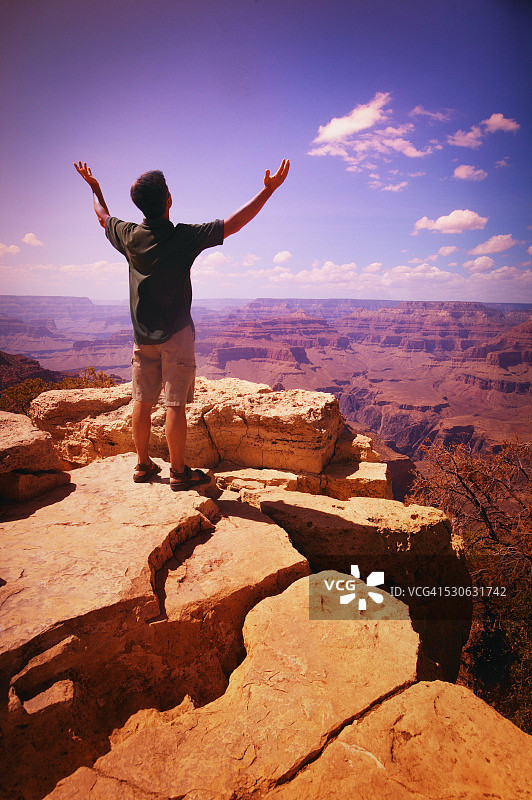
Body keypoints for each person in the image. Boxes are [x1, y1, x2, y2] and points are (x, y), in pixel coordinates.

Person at [74, 158, 290, 489]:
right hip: (176, 335)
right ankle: (177, 472)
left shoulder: (129, 235)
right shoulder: (183, 238)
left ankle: (142, 464)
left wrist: (94, 187)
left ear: (141, 207)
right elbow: (233, 224)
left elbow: (101, 216)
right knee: (174, 404)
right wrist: (267, 191)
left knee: (142, 401)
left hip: (141, 337)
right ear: (168, 200)